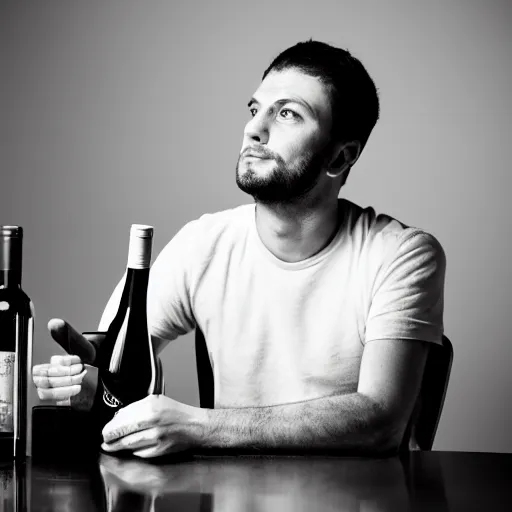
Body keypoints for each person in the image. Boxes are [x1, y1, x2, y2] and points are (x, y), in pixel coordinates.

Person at [32, 40, 446, 458]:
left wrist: (200, 427)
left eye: (287, 113)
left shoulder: (401, 256)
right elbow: (112, 369)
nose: (255, 128)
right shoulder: (203, 244)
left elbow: (381, 420)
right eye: (255, 109)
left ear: (341, 157)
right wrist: (95, 381)